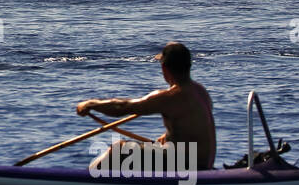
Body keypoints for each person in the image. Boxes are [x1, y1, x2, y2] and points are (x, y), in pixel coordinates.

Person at [77, 42, 216, 171]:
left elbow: (123, 107)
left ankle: (84, 180)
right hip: (204, 163)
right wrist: (169, 136)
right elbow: (193, 124)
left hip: (189, 165)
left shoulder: (171, 96)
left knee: (119, 150)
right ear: (189, 65)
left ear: (164, 68)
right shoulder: (201, 91)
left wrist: (91, 104)